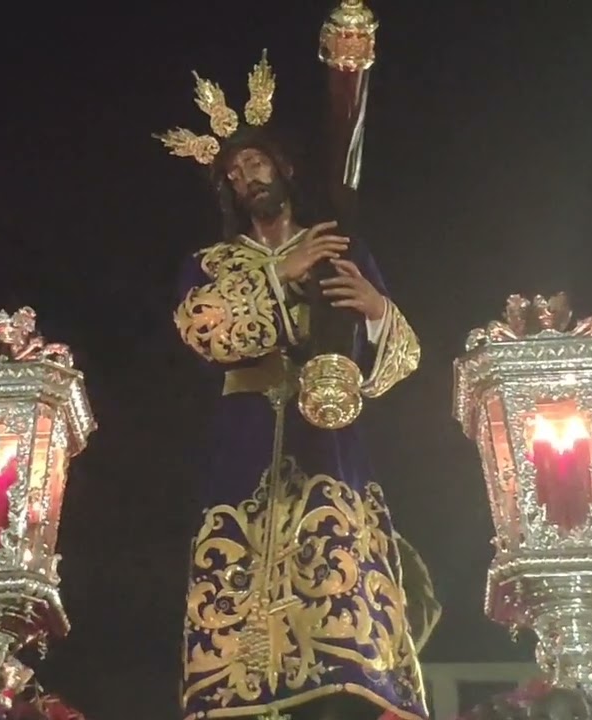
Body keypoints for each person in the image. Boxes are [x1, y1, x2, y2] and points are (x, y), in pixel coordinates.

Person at [158, 53, 434, 720]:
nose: (246, 176)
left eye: (255, 164)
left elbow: (405, 357)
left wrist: (374, 309)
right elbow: (204, 329)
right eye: (233, 173)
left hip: (327, 434)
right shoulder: (211, 263)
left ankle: (346, 678)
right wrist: (282, 276)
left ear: (282, 168)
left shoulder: (339, 243)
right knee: (241, 574)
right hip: (246, 433)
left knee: (334, 571)